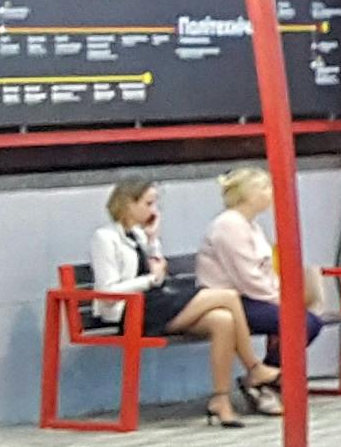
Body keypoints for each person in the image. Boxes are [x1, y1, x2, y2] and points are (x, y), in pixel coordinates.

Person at [92, 179, 268, 424]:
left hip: (157, 305)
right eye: (148, 203)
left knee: (222, 319)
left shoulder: (141, 235)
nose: (154, 210)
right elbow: (107, 289)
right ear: (128, 204)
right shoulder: (105, 238)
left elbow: (157, 272)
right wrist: (149, 280)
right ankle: (254, 367)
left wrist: (153, 241)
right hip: (131, 312)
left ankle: (221, 399)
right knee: (227, 296)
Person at [197, 165, 316, 394]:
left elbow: (265, 269)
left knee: (309, 322)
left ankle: (266, 375)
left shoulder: (251, 225)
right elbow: (246, 276)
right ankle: (264, 376)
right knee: (302, 323)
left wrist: (280, 294)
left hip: (255, 296)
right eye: (264, 188)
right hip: (233, 299)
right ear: (248, 194)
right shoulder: (228, 225)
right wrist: (277, 299)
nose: (271, 193)